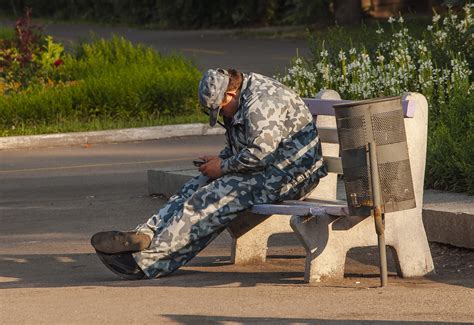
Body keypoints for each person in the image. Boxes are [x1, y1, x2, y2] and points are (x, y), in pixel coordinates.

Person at [91, 68, 327, 280]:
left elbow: (259, 154)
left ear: (230, 95)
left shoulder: (260, 104)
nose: (221, 115)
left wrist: (223, 167)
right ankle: (146, 234)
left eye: (219, 109)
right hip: (269, 169)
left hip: (292, 175)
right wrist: (220, 161)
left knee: (213, 197)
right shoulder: (241, 96)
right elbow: (244, 148)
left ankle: (146, 262)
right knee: (199, 183)